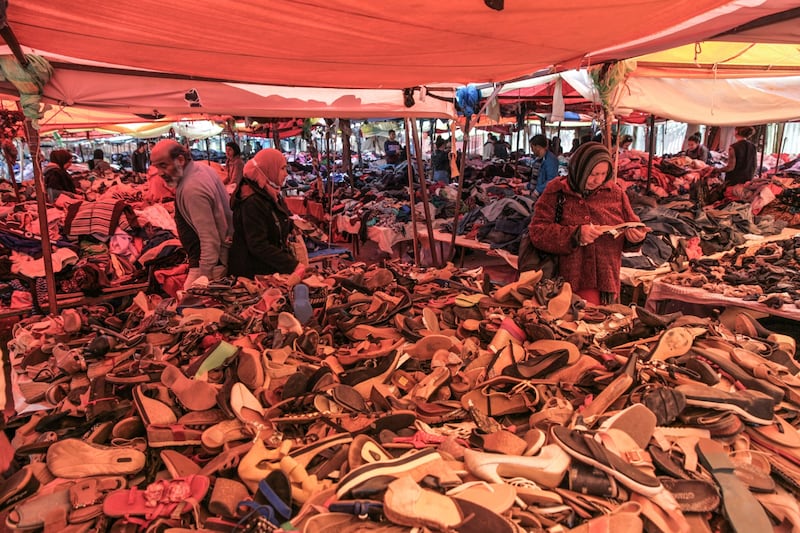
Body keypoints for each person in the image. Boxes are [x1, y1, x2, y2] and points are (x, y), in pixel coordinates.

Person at [528, 142, 647, 305]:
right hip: (564, 281)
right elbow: (537, 232)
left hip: (605, 282)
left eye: (603, 174)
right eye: (592, 174)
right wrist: (576, 235)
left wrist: (634, 239)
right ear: (579, 169)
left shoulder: (615, 193)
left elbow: (632, 227)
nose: (597, 180)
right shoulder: (557, 191)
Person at [150, 139, 233, 289]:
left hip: (211, 265)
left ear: (180, 160)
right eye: (157, 167)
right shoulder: (201, 169)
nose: (160, 173)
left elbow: (209, 238)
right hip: (214, 260)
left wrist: (204, 276)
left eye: (164, 165)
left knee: (188, 309)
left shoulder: (192, 189)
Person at [229, 148, 306, 281]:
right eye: (282, 169)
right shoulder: (252, 201)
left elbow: (278, 220)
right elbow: (258, 245)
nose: (286, 174)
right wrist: (291, 265)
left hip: (269, 270)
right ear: (269, 169)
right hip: (253, 275)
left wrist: (291, 226)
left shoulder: (270, 192)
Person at [529, 134, 559, 199]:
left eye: (532, 147)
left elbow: (551, 181)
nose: (531, 150)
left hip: (545, 197)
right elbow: (535, 179)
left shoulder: (551, 160)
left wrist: (537, 191)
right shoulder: (537, 160)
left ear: (538, 147)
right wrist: (526, 186)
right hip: (536, 196)